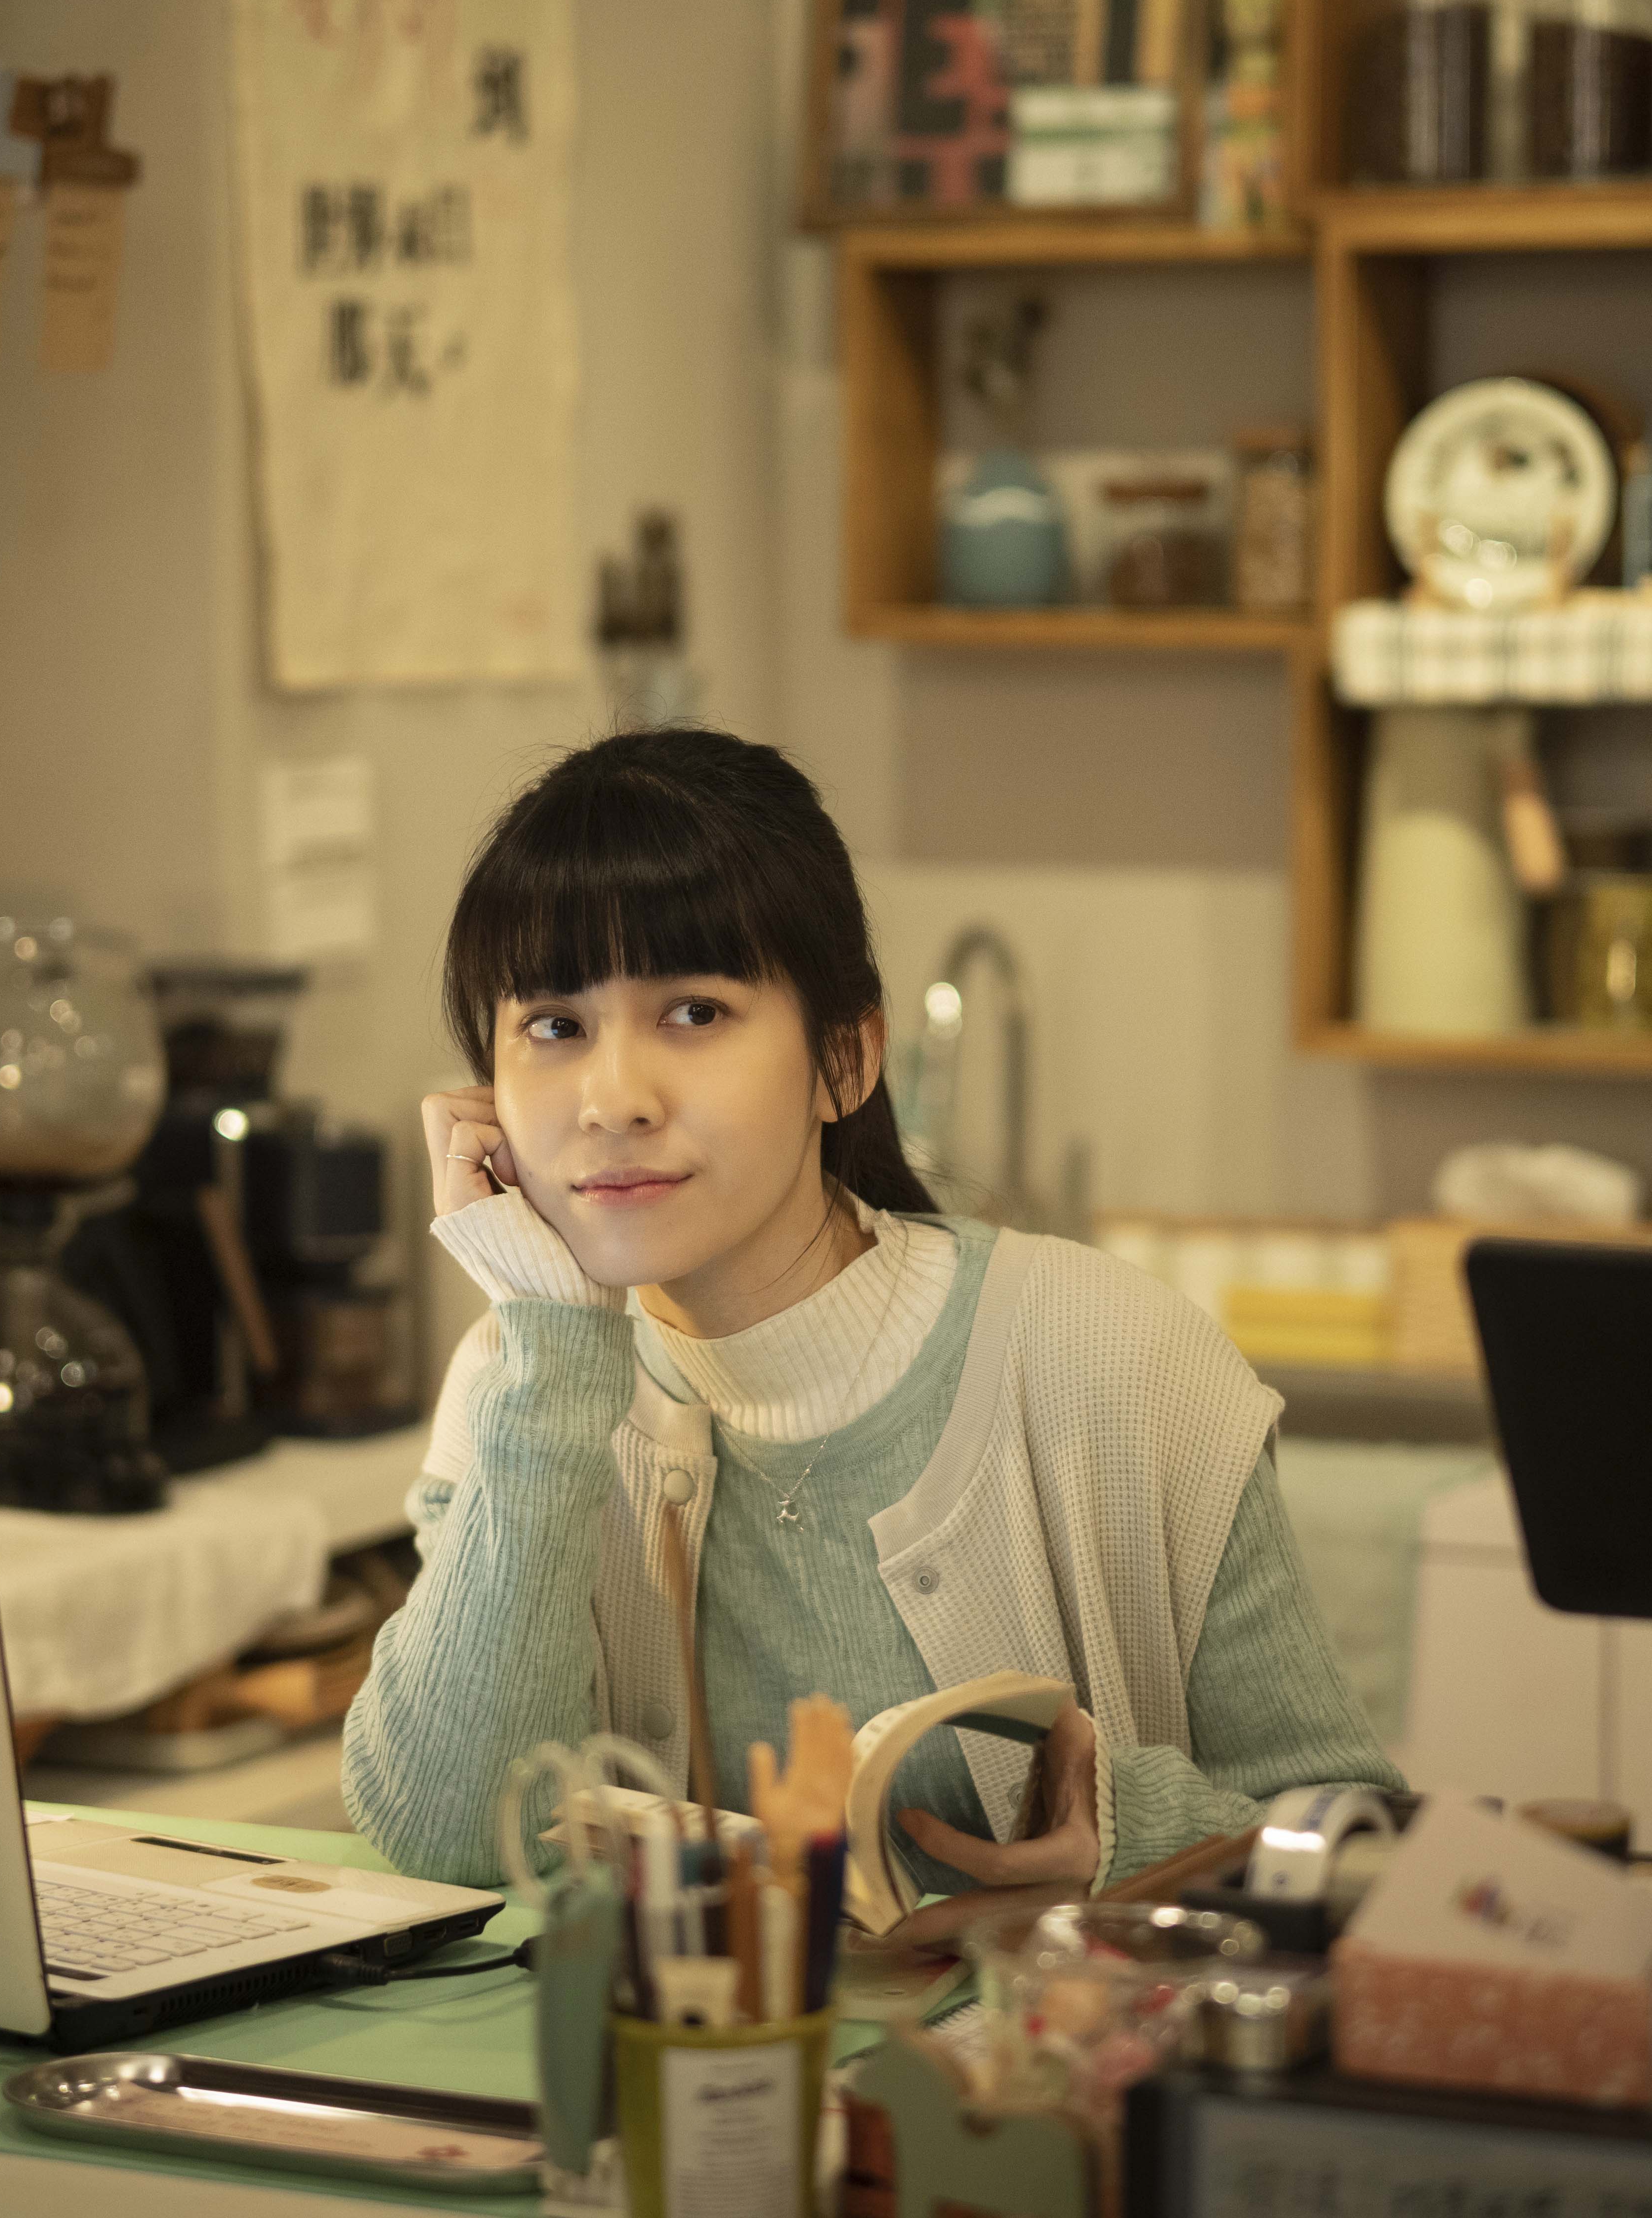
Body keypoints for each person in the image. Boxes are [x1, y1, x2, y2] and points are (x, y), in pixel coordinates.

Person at [340, 728, 1400, 1933]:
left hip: (1038, 2053)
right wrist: (552, 1350)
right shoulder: (523, 1374)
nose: (613, 1099)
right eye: (553, 1026)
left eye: (693, 1010)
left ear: (843, 1059)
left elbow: (1359, 1850)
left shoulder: (1113, 1355)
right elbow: (445, 1833)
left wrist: (1130, 1833)